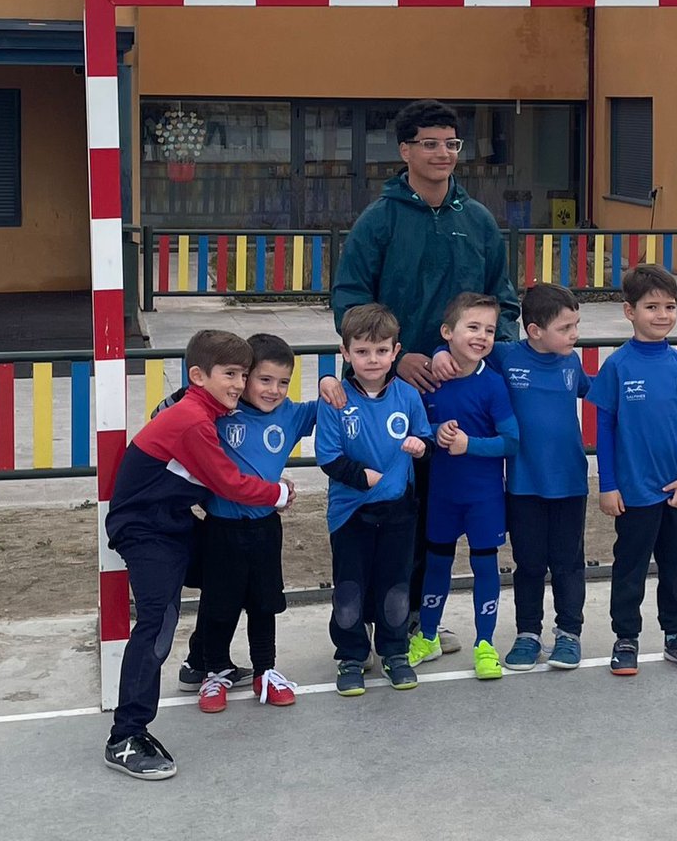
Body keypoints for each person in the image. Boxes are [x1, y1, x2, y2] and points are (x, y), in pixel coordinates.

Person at [331, 98, 520, 654]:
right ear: (405, 150)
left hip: (458, 402)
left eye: (451, 143)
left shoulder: (477, 220)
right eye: (430, 144)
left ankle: (411, 621)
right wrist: (401, 358)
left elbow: (503, 302)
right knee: (384, 509)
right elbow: (349, 302)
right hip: (389, 395)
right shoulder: (379, 220)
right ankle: (361, 628)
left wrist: (477, 359)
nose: (443, 153)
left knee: (431, 514)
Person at [101, 329, 296, 781]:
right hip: (146, 531)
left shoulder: (204, 410)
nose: (239, 384)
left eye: (243, 375)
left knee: (230, 569)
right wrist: (279, 493)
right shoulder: (192, 420)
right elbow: (228, 482)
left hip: (173, 522)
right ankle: (125, 736)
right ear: (198, 375)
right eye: (230, 374)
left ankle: (202, 663)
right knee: (157, 623)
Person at [182, 333, 316, 714]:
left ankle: (265, 671)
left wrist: (329, 383)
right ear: (244, 378)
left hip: (265, 529)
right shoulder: (219, 411)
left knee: (264, 603)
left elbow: (337, 405)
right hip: (220, 528)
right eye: (264, 379)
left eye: (283, 382)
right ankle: (214, 672)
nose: (274, 390)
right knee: (218, 605)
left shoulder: (292, 415)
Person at [589, 264, 677, 676]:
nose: (662, 315)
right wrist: (608, 485)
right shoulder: (618, 366)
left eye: (670, 306)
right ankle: (626, 637)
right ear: (630, 311)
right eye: (652, 306)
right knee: (630, 567)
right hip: (634, 491)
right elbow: (604, 430)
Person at [317, 303, 432, 697]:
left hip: (399, 512)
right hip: (351, 514)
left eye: (381, 350)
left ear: (395, 351)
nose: (372, 359)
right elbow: (328, 456)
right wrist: (361, 477)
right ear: (346, 352)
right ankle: (351, 656)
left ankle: (394, 652)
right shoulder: (335, 399)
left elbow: (424, 439)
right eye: (362, 351)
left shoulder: (408, 396)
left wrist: (421, 447)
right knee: (350, 589)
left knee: (395, 586)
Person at [409, 293, 520, 680]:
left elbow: (511, 441)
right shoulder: (430, 381)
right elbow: (414, 428)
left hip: (483, 497)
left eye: (489, 330)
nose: (482, 336)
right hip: (442, 495)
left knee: (485, 566)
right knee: (437, 563)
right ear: (447, 332)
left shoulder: (493, 385)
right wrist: (435, 432)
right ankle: (428, 636)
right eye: (472, 327)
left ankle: (485, 644)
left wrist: (468, 444)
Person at [489, 282, 592, 672]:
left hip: (570, 483)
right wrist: (439, 355)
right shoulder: (507, 357)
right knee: (529, 563)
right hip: (524, 484)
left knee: (568, 564)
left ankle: (568, 633)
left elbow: (596, 391)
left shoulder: (571, 363)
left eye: (576, 325)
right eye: (565, 328)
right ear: (534, 331)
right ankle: (528, 634)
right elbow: (464, 349)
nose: (574, 334)